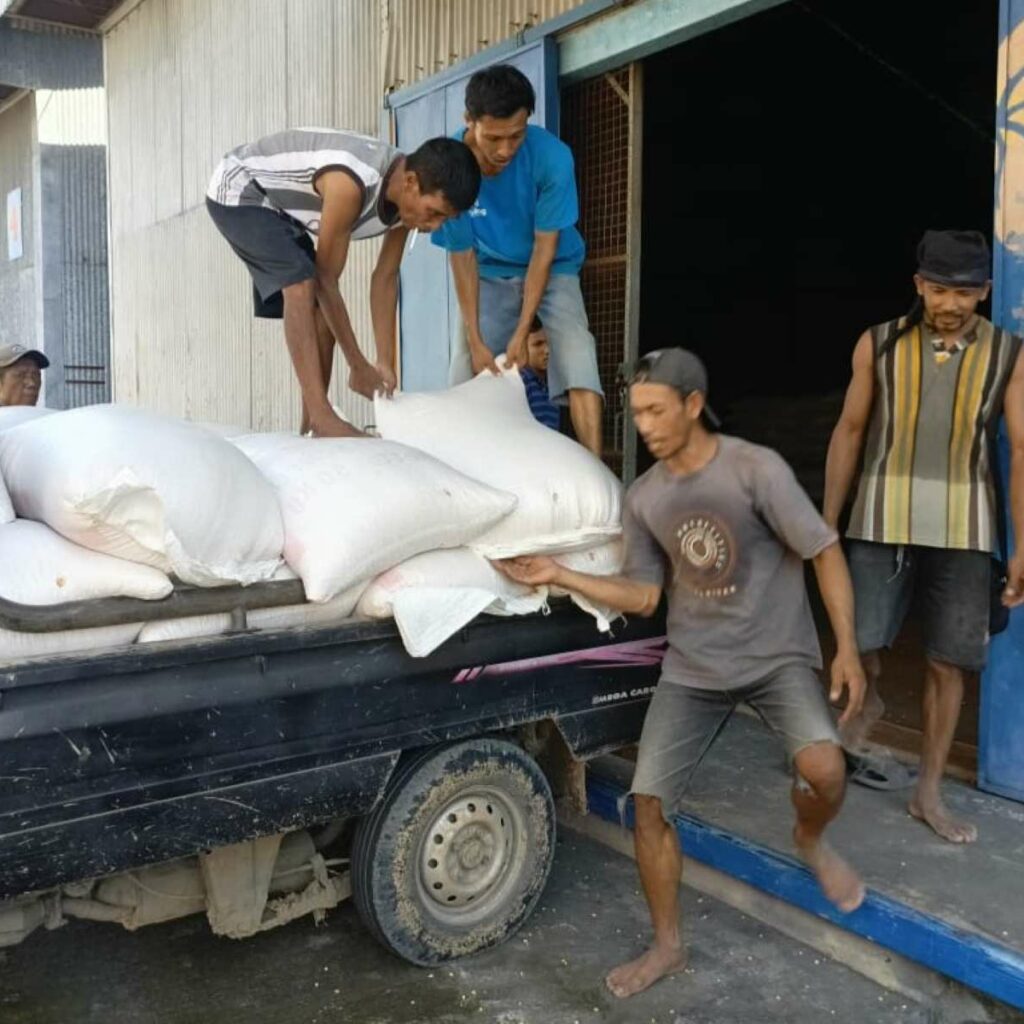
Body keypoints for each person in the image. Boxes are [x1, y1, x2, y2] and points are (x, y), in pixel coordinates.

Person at [496, 347, 867, 998]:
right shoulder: (645, 498)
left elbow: (824, 550)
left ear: (694, 406)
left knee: (826, 770)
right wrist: (559, 573)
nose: (643, 424)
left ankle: (810, 836)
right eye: (636, 412)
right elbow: (644, 597)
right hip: (694, 668)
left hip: (776, 657)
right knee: (647, 807)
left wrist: (847, 649)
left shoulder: (757, 471)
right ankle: (667, 944)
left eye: (656, 410)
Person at [824, 229, 1024, 844]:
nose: (951, 304)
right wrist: (825, 525)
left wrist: (1020, 550)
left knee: (950, 661)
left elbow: (1022, 449)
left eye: (965, 293)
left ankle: (929, 793)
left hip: (966, 527)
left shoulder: (1008, 354)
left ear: (985, 292)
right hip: (882, 516)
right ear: (918, 286)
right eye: (939, 290)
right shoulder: (879, 344)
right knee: (861, 642)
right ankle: (858, 723)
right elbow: (850, 430)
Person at [207, 130, 480, 437]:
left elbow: (385, 278)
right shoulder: (350, 184)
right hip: (242, 188)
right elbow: (326, 281)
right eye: (434, 214)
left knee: (321, 306)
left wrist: (383, 363)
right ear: (411, 183)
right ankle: (321, 418)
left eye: (444, 220)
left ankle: (310, 425)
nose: (433, 227)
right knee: (302, 286)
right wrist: (356, 364)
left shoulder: (408, 201)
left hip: (281, 207)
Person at [432, 65, 605, 457]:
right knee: (463, 367)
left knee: (579, 353)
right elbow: (461, 258)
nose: (506, 149)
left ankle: (597, 476)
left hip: (554, 264)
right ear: (469, 122)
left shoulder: (553, 159)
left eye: (517, 135)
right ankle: (460, 467)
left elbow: (545, 250)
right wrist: (477, 339)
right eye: (494, 137)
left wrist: (523, 330)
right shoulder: (451, 168)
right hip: (488, 270)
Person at [520, 317, 559, 430]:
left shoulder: (554, 386)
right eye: (538, 344)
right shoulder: (521, 382)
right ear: (522, 348)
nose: (547, 350)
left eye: (549, 343)